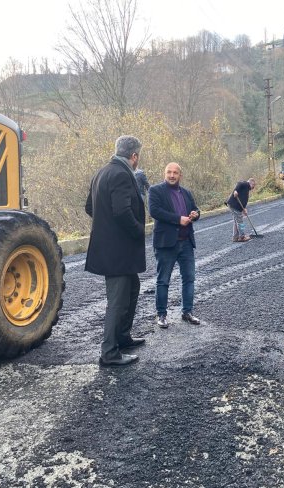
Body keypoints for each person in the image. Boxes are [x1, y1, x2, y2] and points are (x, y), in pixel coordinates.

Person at [85, 135, 147, 367]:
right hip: (119, 251)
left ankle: (123, 337)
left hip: (114, 250)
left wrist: (106, 225)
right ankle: (109, 353)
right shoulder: (122, 174)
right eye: (138, 156)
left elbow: (89, 207)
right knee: (118, 300)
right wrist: (138, 230)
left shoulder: (101, 173)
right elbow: (122, 212)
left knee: (133, 288)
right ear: (134, 156)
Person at [148, 162, 201, 328]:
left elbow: (196, 209)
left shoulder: (186, 192)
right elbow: (155, 211)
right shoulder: (155, 191)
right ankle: (162, 315)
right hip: (166, 244)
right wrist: (178, 219)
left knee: (189, 279)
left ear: (180, 175)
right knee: (163, 280)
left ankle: (187, 312)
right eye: (169, 172)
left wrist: (195, 214)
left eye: (175, 173)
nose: (172, 175)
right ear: (165, 174)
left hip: (186, 243)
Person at [226, 178, 256, 242]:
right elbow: (239, 183)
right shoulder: (246, 184)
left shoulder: (246, 189)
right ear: (251, 183)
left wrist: (244, 209)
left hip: (235, 206)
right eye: (254, 186)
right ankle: (242, 236)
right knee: (240, 221)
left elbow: (243, 199)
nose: (253, 188)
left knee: (236, 221)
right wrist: (235, 190)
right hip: (234, 205)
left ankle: (235, 237)